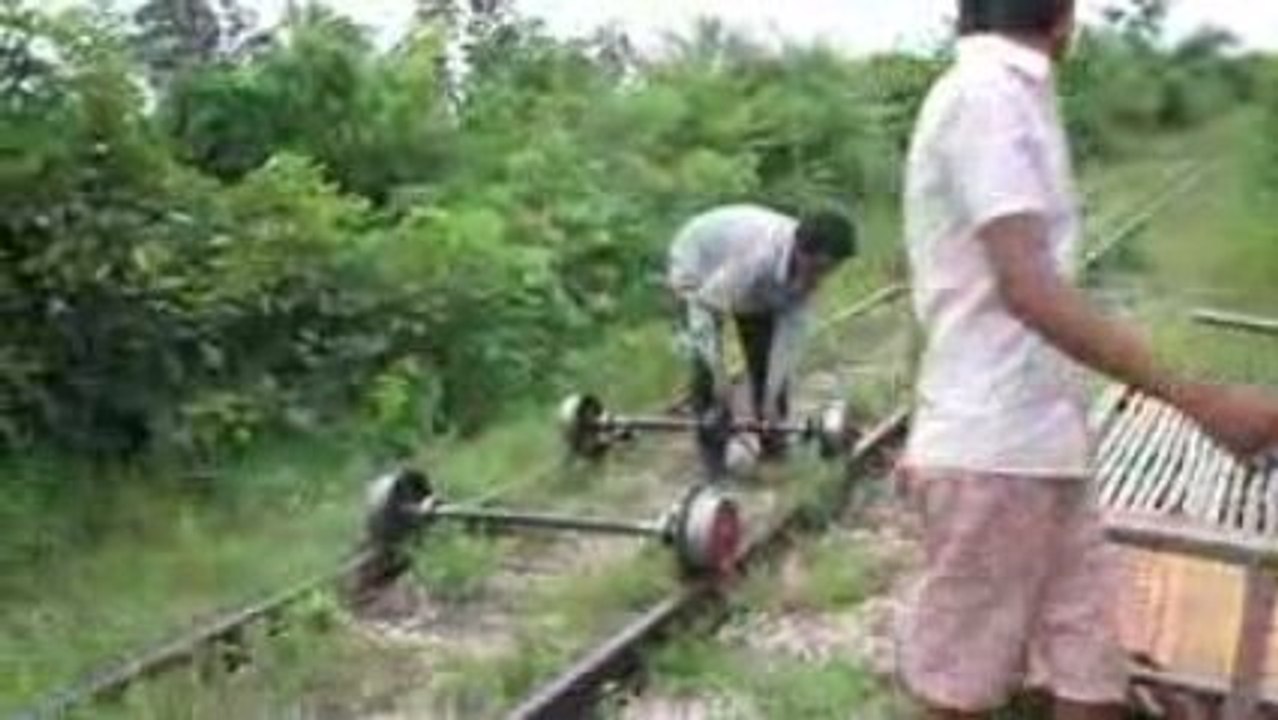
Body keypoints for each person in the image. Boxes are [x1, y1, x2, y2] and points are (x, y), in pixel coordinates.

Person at [899, 1, 1278, 718]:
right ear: (1065, 14)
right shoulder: (987, 98)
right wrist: (1202, 401)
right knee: (961, 691)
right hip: (997, 453)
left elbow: (959, 285)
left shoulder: (1013, 93)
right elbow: (1029, 289)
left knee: (1091, 679)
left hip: (1039, 447)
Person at [667, 204, 857, 479]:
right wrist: (718, 373)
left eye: (828, 272)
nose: (819, 278)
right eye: (817, 268)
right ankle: (713, 458)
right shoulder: (757, 258)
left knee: (765, 362)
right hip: (702, 263)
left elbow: (787, 343)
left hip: (754, 284)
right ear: (802, 252)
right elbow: (705, 311)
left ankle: (772, 439)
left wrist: (770, 397)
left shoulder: (807, 278)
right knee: (708, 376)